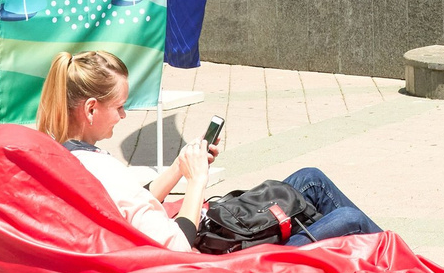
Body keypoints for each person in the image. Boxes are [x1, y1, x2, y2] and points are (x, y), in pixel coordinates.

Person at [35, 50, 380, 250]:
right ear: (92, 109)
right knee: (348, 220)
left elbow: (130, 204)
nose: (124, 116)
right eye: (120, 107)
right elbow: (178, 247)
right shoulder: (98, 168)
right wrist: (197, 180)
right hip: (213, 256)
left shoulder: (71, 156)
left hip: (210, 233)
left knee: (309, 180)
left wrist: (179, 167)